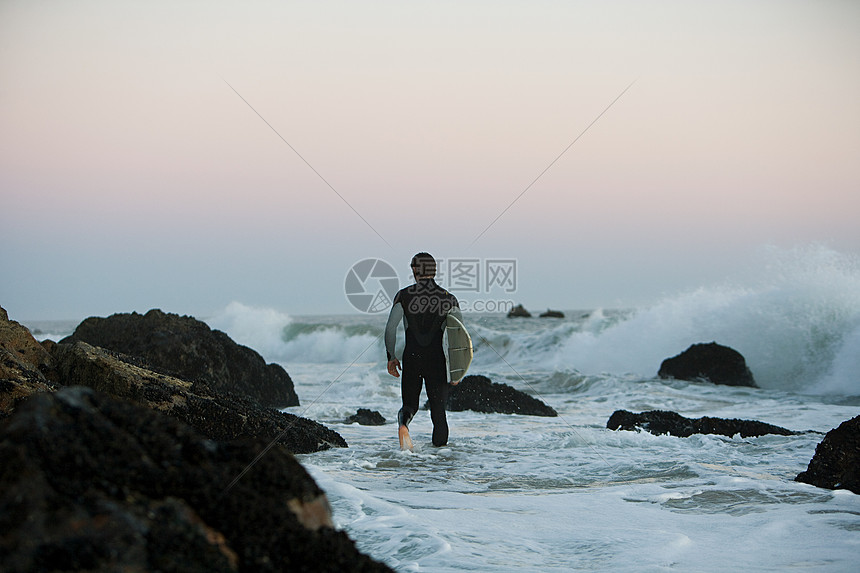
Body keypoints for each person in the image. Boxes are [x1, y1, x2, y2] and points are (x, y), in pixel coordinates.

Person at [385, 252, 463, 448]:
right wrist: (458, 369)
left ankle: (403, 425)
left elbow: (390, 328)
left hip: (412, 357)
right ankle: (440, 461)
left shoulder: (404, 295)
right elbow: (458, 337)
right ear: (434, 271)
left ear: (414, 270)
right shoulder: (449, 299)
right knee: (438, 411)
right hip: (436, 360)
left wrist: (391, 357)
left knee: (409, 405)